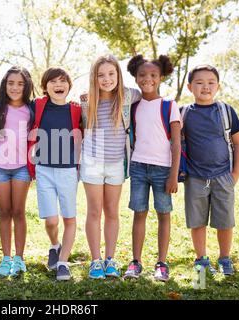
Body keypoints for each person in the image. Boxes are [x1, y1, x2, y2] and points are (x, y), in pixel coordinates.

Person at [80, 54, 140, 279]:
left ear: (118, 74)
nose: (106, 79)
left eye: (111, 74)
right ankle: (95, 261)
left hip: (116, 163)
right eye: (101, 75)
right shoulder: (87, 102)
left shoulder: (129, 96)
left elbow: (150, 93)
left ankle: (110, 259)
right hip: (92, 163)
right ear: (94, 78)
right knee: (94, 211)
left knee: (112, 211)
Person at [124, 54, 181, 282]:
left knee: (163, 214)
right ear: (136, 78)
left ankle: (162, 263)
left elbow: (176, 143)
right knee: (139, 213)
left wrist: (173, 175)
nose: (148, 79)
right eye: (142, 75)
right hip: (138, 167)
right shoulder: (134, 106)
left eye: (153, 75)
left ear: (161, 77)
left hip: (163, 170)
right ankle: (136, 262)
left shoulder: (169, 106)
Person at [183, 65, 239, 276]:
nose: (205, 87)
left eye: (211, 82)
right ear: (190, 87)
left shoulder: (226, 111)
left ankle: (225, 258)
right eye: (199, 82)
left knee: (225, 221)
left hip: (223, 176)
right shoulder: (184, 113)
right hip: (195, 177)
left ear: (218, 86)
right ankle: (201, 259)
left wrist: (235, 174)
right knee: (197, 220)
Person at [27, 67, 82, 281]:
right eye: (53, 82)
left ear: (69, 85)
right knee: (51, 220)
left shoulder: (76, 109)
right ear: (45, 87)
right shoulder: (38, 105)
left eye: (62, 81)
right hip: (44, 169)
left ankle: (63, 262)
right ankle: (54, 245)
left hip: (68, 170)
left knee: (69, 217)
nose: (58, 85)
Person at [0, 66, 35, 277]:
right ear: (4, 85)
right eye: (11, 83)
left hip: (21, 168)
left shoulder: (31, 109)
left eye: (20, 83)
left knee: (18, 211)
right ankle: (5, 258)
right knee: (4, 212)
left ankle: (19, 258)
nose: (15, 87)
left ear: (26, 86)